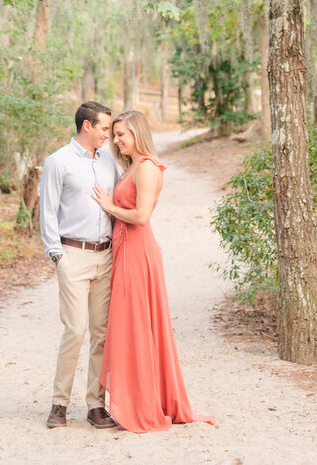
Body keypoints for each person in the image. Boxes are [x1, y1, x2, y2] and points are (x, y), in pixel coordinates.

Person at [92, 110, 213, 434]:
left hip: (137, 250)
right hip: (125, 249)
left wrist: (109, 207)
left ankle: (144, 405)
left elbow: (142, 215)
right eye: (115, 134)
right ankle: (139, 398)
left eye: (122, 135)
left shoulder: (146, 168)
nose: (117, 140)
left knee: (136, 327)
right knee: (131, 326)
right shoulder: (131, 167)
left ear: (138, 134)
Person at [39, 100, 120, 430]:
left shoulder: (109, 163)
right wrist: (56, 255)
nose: (107, 135)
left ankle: (96, 405)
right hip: (73, 255)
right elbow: (47, 209)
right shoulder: (58, 162)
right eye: (104, 128)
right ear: (87, 126)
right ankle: (59, 404)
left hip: (106, 256)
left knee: (101, 334)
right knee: (75, 329)